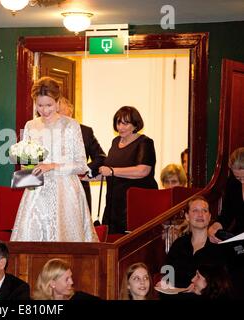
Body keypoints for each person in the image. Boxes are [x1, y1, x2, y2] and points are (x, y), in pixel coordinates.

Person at [11, 77, 98, 242]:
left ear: (58, 102)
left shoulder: (71, 125)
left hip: (65, 190)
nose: (44, 110)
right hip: (37, 189)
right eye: (40, 105)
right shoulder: (31, 125)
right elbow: (26, 162)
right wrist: (26, 162)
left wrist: (52, 166)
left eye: (49, 105)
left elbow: (81, 165)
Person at [99, 106, 158, 234]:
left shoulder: (145, 142)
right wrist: (89, 176)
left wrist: (112, 171)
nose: (121, 127)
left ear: (135, 124)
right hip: (113, 205)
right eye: (118, 122)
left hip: (134, 206)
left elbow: (143, 171)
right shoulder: (115, 142)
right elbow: (109, 170)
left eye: (126, 123)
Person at [163, 196, 226, 292]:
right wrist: (165, 284)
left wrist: (198, 290)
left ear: (209, 217)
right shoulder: (178, 245)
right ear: (187, 216)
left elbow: (221, 285)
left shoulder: (219, 247)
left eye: (204, 210)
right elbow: (167, 275)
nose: (200, 214)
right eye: (195, 210)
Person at [58, 97, 106, 213]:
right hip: (55, 189)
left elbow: (101, 157)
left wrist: (85, 170)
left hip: (79, 189)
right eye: (58, 115)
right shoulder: (45, 131)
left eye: (65, 116)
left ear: (71, 114)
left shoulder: (85, 132)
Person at [208, 147, 244, 243]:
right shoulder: (233, 184)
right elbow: (226, 215)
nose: (242, 182)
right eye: (238, 178)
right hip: (239, 238)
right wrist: (215, 226)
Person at [33, 258, 100, 300]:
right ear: (52, 283)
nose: (71, 282)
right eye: (67, 279)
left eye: (71, 277)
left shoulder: (81, 297)